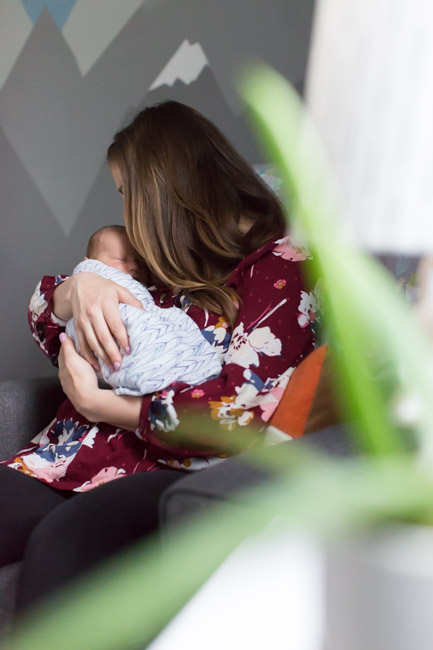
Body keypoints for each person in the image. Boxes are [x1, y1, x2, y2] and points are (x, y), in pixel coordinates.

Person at [0, 100, 319, 618]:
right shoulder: (155, 264)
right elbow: (44, 316)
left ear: (160, 195)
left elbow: (237, 412)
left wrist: (108, 408)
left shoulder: (280, 271)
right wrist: (78, 287)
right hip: (61, 462)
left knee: (64, 547)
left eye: (127, 194)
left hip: (165, 470)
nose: (124, 213)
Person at [66, 224, 222, 395]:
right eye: (122, 260)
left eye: (139, 261)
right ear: (91, 262)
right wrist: (83, 278)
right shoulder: (85, 279)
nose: (134, 266)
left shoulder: (153, 291)